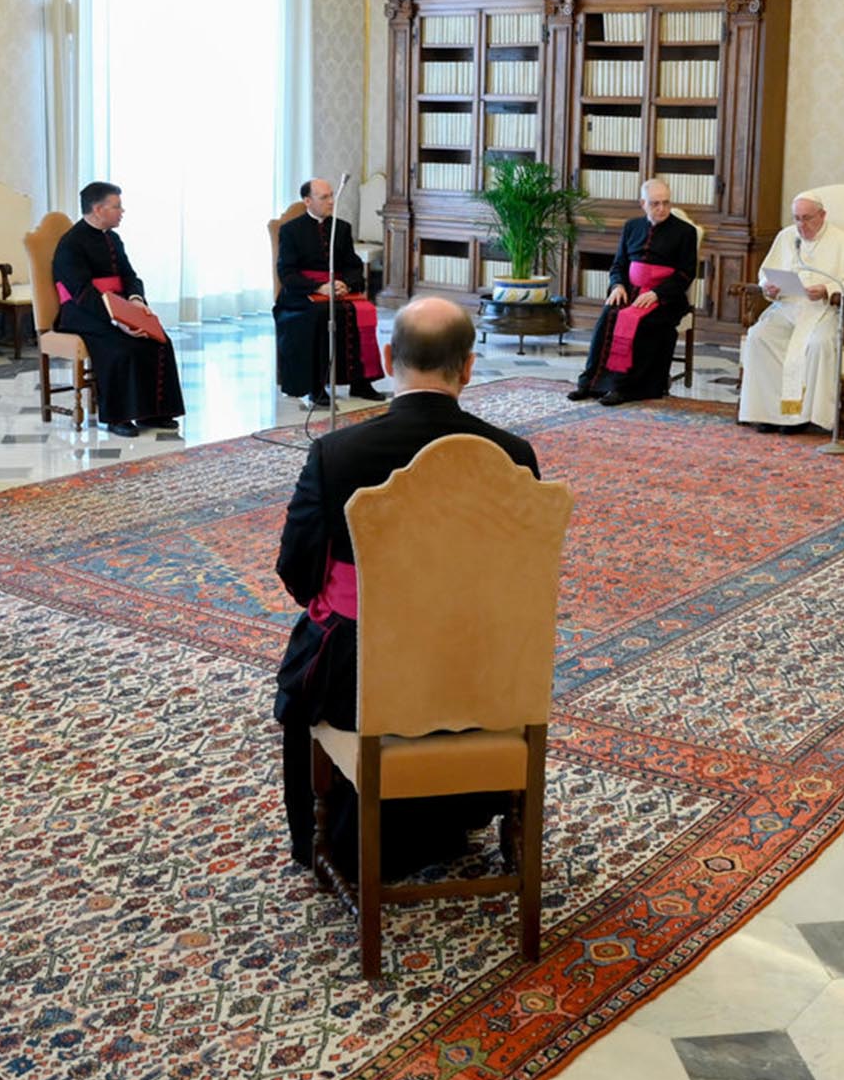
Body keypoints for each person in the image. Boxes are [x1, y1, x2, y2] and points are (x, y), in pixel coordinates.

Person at [272, 297, 541, 878]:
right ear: (468, 367)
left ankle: (332, 841)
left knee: (311, 658)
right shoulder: (515, 457)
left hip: (365, 674)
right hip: (478, 673)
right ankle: (454, 818)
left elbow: (297, 570)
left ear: (389, 356)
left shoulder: (336, 454)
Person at [51, 182, 187, 439]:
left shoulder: (112, 238)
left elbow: (129, 276)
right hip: (83, 313)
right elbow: (82, 292)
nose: (122, 211)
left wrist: (136, 301)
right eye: (117, 206)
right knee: (122, 347)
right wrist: (116, 320)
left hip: (119, 307)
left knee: (159, 341)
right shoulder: (71, 243)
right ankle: (118, 417)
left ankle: (154, 413)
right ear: (98, 209)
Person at [738, 192, 844, 435]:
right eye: (796, 219)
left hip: (827, 310)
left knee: (817, 344)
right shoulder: (786, 237)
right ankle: (768, 414)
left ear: (822, 215)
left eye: (807, 218)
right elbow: (766, 274)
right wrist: (768, 287)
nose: (801, 225)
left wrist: (827, 289)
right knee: (759, 337)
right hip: (788, 307)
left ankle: (807, 416)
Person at [568, 178, 698, 407]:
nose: (662, 209)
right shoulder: (631, 227)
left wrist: (657, 293)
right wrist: (617, 285)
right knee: (608, 316)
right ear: (643, 203)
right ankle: (590, 382)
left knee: (642, 323)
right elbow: (618, 265)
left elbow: (686, 274)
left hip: (667, 297)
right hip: (630, 292)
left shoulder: (685, 232)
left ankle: (625, 387)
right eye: (655, 203)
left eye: (666, 203)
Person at [274, 177, 384, 408]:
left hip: (338, 288)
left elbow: (353, 265)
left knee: (364, 310)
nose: (331, 201)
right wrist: (317, 287)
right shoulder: (290, 231)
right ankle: (317, 386)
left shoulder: (341, 228)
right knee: (321, 313)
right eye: (324, 197)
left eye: (332, 195)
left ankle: (360, 382)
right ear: (307, 201)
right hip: (301, 294)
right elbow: (287, 273)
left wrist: (347, 284)